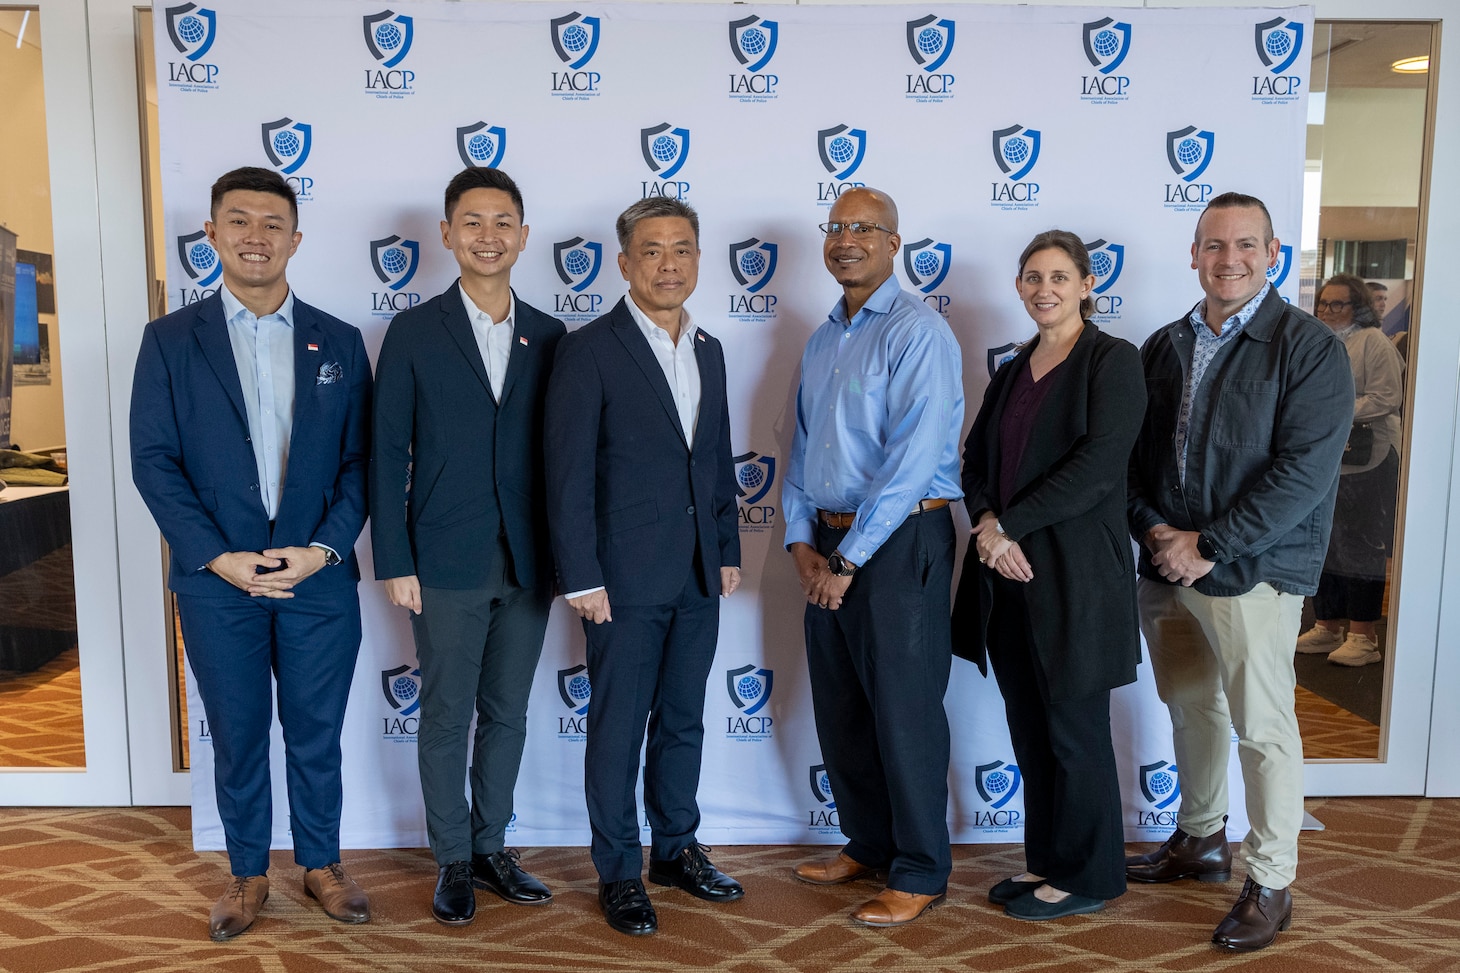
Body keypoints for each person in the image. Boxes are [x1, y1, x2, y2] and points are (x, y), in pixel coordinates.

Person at [130, 167, 373, 940]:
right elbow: (153, 460)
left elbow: (361, 462)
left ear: (296, 239)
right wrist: (216, 557)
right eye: (238, 221)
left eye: (272, 223)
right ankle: (246, 873)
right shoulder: (169, 339)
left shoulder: (339, 339)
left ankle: (323, 863)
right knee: (237, 730)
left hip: (317, 580)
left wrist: (323, 549)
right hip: (217, 583)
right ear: (213, 235)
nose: (256, 236)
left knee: (315, 729)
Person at [1126, 192, 1354, 951]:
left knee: (1263, 728)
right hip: (1168, 565)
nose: (1230, 259)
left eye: (1246, 245)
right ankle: (1199, 839)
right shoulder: (1163, 345)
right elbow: (1136, 458)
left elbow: (1304, 474)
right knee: (1191, 707)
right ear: (1193, 254)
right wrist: (1159, 531)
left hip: (1251, 570)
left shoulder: (1309, 347)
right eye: (1215, 245)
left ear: (1273, 252)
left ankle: (1273, 878)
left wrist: (1210, 544)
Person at [369, 167, 565, 925]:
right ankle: (451, 857)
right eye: (472, 223)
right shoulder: (413, 331)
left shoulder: (549, 334)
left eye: (503, 222)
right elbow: (387, 454)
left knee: (508, 710)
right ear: (447, 234)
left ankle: (491, 846)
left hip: (529, 557)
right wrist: (394, 558)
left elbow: (566, 455)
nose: (489, 236)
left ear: (523, 233)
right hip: (442, 559)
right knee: (448, 711)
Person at [544, 197, 744, 937]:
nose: (669, 263)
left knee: (685, 719)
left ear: (698, 259)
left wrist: (725, 548)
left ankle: (677, 847)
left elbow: (716, 458)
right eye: (653, 250)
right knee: (619, 726)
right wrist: (582, 575)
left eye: (683, 249)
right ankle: (620, 870)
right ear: (624, 263)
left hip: (697, 575)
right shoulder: (589, 348)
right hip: (621, 580)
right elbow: (566, 475)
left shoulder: (711, 348)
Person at [783, 187, 964, 928]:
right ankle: (870, 842)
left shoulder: (919, 332)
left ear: (895, 243)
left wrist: (847, 561)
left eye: (863, 228)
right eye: (836, 226)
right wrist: (801, 542)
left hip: (897, 543)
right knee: (845, 705)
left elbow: (912, 463)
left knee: (905, 709)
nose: (845, 238)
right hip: (827, 545)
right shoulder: (823, 336)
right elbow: (798, 450)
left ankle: (921, 868)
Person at [951, 230, 1145, 921]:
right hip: (1004, 573)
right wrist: (985, 525)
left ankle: (1092, 872)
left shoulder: (1111, 361)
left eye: (1060, 276)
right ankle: (1048, 861)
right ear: (1019, 285)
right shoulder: (1011, 368)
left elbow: (1099, 466)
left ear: (1088, 284)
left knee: (1075, 730)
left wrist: (1011, 525)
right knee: (1030, 729)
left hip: (1075, 576)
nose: (1045, 289)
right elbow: (973, 461)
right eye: (1033, 276)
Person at [1295, 274, 1404, 667]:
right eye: (1323, 303)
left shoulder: (1372, 342)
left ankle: (1364, 635)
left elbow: (1388, 397)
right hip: (1326, 458)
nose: (1326, 311)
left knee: (1359, 546)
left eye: (1337, 304)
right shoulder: (1317, 340)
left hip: (1367, 458)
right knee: (1323, 542)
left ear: (1357, 306)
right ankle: (1327, 625)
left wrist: (1332, 412)